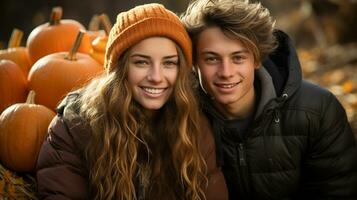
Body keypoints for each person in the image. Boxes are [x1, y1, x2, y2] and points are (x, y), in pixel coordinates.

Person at [36, 3, 228, 200]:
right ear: (120, 69)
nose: (156, 76)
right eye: (141, 62)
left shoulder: (193, 124)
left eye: (169, 63)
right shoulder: (75, 125)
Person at [181, 0, 357, 199]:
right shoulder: (180, 121)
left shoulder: (318, 110)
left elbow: (338, 190)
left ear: (257, 59)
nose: (226, 72)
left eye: (238, 58)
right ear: (194, 63)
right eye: (211, 59)